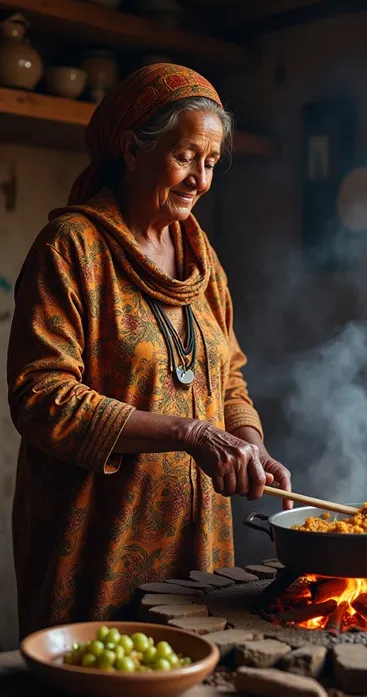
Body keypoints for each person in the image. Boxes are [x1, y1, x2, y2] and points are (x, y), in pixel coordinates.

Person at [7, 63, 292, 638]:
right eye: (186, 156)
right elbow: (41, 397)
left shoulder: (201, 257)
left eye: (211, 163)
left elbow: (227, 378)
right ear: (133, 151)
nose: (200, 180)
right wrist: (189, 434)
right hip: (98, 539)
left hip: (198, 536)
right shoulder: (72, 248)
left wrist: (249, 443)